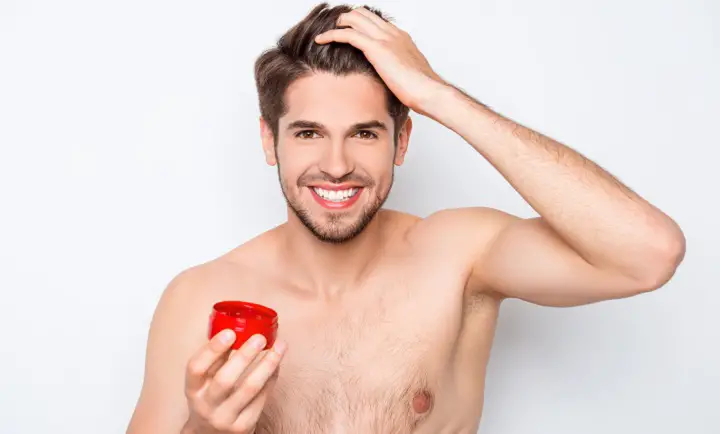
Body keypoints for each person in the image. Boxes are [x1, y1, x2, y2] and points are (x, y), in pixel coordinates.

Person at [126, 3, 686, 433]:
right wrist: (205, 429)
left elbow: (647, 255)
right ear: (270, 141)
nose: (337, 166)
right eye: (309, 133)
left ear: (402, 140)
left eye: (365, 133)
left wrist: (436, 95)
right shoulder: (201, 297)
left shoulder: (459, 257)